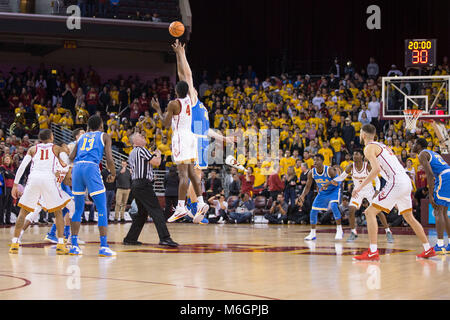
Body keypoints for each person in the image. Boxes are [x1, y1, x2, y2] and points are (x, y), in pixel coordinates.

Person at [352, 124, 435, 261]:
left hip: (396, 182)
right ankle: (428, 249)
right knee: (409, 217)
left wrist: (359, 188)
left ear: (363, 135)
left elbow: (376, 170)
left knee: (370, 212)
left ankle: (373, 251)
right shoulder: (382, 146)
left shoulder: (369, 148)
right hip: (405, 181)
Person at [150, 45, 209, 224]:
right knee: (192, 173)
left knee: (183, 174)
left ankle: (181, 207)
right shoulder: (190, 100)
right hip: (190, 137)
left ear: (176, 91)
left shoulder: (173, 104)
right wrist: (179, 54)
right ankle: (200, 202)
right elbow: (184, 76)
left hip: (181, 138)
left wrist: (158, 109)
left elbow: (165, 124)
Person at [9, 129, 70, 255]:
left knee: (23, 212)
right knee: (58, 212)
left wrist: (15, 184)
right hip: (48, 178)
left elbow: (22, 166)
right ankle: (60, 244)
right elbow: (67, 161)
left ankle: (14, 242)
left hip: (34, 178)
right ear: (52, 137)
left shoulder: (33, 149)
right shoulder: (57, 148)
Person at [69, 115, 117, 257]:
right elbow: (109, 158)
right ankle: (103, 246)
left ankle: (73, 245)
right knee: (102, 207)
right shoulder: (104, 136)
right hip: (91, 167)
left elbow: (71, 157)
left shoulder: (81, 137)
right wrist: (113, 174)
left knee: (78, 209)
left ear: (88, 127)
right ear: (101, 125)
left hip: (77, 168)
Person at [324, 149, 394, 242]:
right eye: (353, 154)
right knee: (351, 209)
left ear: (361, 156)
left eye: (356, 154)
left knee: (378, 211)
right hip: (358, 191)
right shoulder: (350, 167)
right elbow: (341, 177)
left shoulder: (367, 166)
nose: (354, 156)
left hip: (369, 191)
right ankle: (353, 232)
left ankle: (388, 231)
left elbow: (377, 180)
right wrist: (328, 183)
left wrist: (376, 192)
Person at [123, 132, 178, 247]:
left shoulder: (132, 153)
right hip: (143, 184)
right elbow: (157, 162)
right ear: (134, 142)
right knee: (156, 210)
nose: (143, 136)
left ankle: (130, 238)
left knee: (142, 214)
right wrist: (158, 154)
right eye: (139, 135)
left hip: (136, 185)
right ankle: (165, 238)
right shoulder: (141, 149)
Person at [413, 138, 450, 253]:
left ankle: (440, 244)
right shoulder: (432, 153)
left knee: (438, 211)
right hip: (447, 174)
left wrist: (430, 193)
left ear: (419, 146)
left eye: (414, 143)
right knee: (443, 212)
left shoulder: (422, 154)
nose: (413, 145)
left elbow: (429, 174)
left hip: (443, 177)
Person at [298, 154, 344, 240]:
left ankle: (339, 230)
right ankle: (312, 233)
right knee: (313, 210)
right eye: (314, 160)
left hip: (334, 190)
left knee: (334, 206)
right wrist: (303, 195)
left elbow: (339, 180)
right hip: (323, 192)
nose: (315, 161)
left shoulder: (329, 170)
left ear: (322, 161)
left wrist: (330, 183)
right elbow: (307, 186)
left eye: (317, 160)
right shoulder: (311, 172)